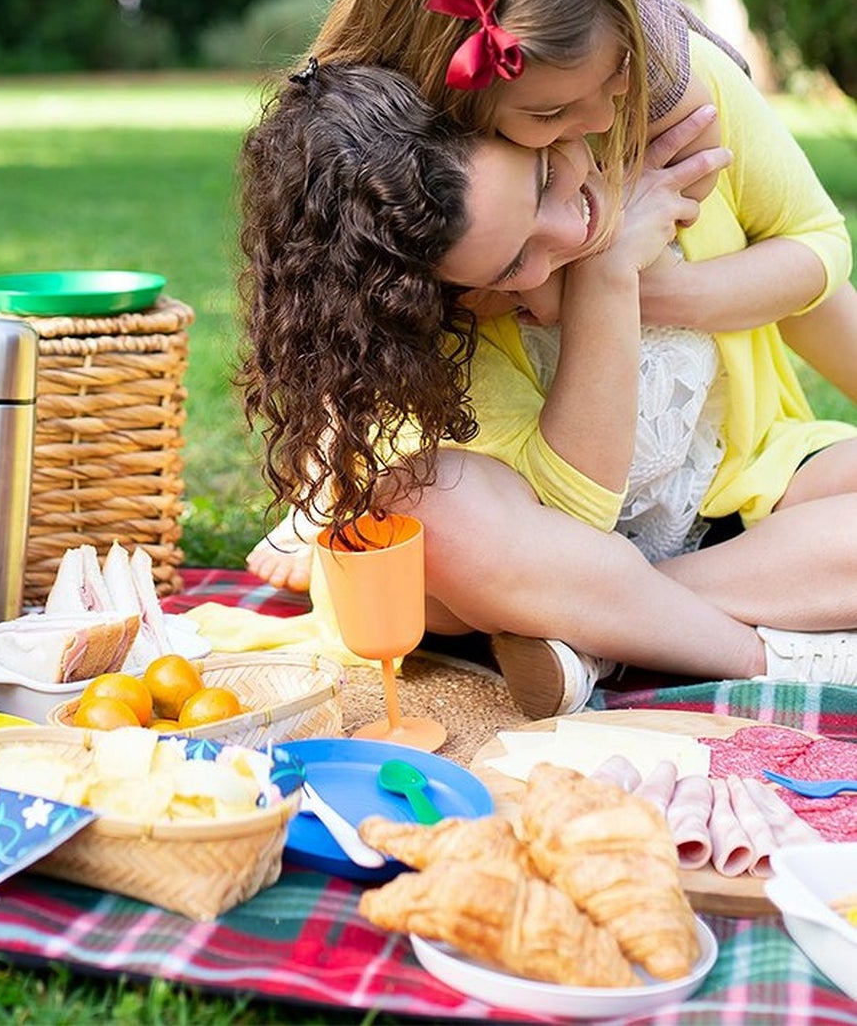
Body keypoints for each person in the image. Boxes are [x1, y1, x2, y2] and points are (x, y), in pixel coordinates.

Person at [245, 0, 857, 596]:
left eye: (615, 76)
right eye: (548, 115)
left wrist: (651, 288)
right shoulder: (425, 206)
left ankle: (635, 613)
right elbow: (350, 338)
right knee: (431, 543)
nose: (599, 117)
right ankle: (645, 606)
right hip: (537, 509)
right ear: (453, 101)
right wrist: (595, 276)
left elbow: (818, 248)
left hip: (735, 473)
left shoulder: (677, 96)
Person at [213, 54, 857, 718]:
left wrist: (652, 285)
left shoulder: (667, 121)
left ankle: (602, 640)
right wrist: (604, 276)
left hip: (729, 505)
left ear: (522, 121)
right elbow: (573, 523)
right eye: (514, 260)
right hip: (537, 558)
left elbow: (814, 267)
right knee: (428, 507)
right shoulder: (440, 307)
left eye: (545, 175)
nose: (568, 228)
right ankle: (759, 653)